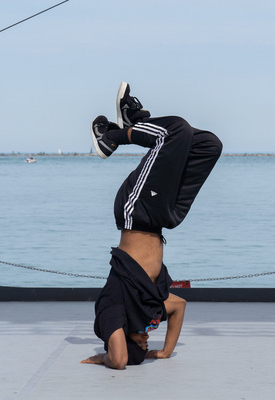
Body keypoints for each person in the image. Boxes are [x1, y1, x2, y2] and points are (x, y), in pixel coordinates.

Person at [81, 82, 222, 369]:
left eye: (141, 342)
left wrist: (104, 356)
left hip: (136, 211)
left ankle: (111, 137)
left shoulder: (113, 310)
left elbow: (119, 361)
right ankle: (139, 124)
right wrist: (165, 351)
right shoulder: (148, 310)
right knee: (209, 145)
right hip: (161, 219)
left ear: (122, 338)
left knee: (175, 131)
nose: (147, 339)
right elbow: (179, 306)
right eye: (147, 342)